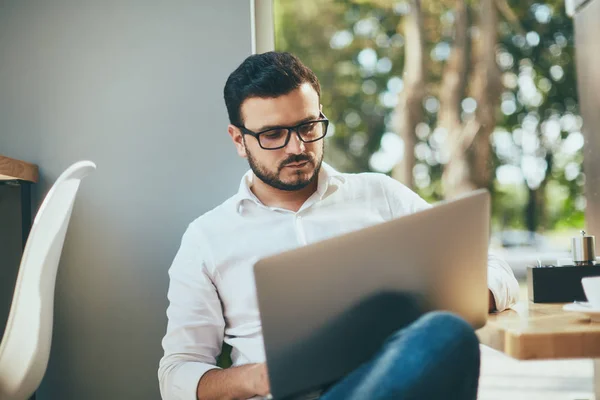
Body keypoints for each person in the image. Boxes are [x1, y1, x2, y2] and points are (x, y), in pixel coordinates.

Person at [158, 51, 520, 400]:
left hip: (388, 377)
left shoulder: (381, 195)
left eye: (307, 126)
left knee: (446, 332)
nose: (297, 147)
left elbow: (495, 270)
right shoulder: (206, 238)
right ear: (239, 140)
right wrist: (259, 376)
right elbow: (177, 375)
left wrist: (451, 299)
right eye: (273, 135)